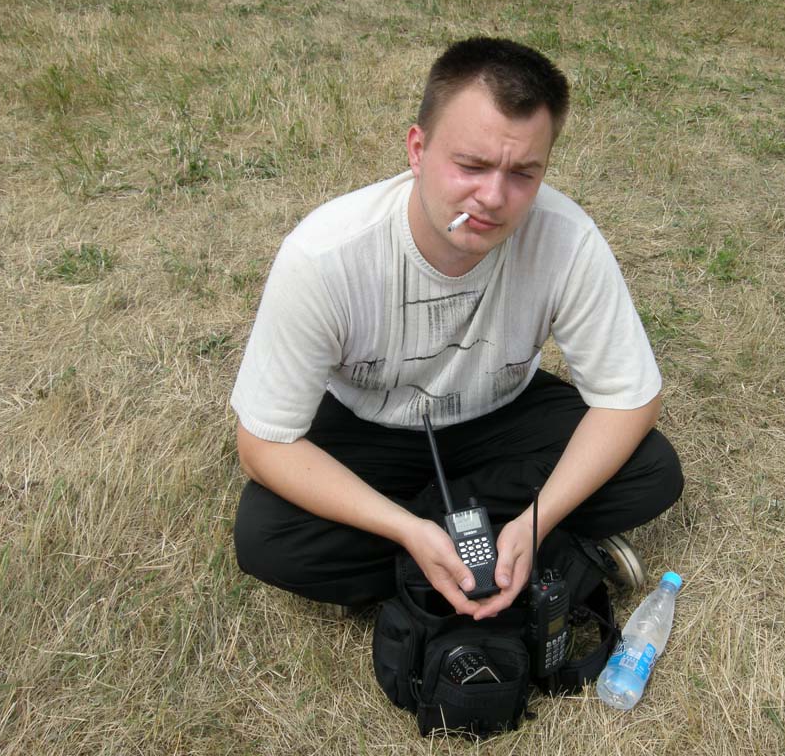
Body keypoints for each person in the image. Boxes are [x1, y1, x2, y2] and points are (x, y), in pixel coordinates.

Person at [230, 37, 684, 621]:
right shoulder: (324, 256)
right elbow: (263, 444)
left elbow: (629, 399)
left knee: (652, 471)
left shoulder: (567, 240)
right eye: (471, 166)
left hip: (501, 413)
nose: (493, 197)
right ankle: (500, 550)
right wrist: (406, 527)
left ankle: (488, 547)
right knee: (267, 537)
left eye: (523, 174)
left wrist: (537, 517)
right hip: (372, 422)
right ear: (418, 150)